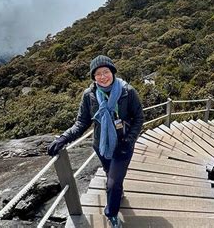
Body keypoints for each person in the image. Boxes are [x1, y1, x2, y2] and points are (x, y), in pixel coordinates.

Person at [47, 55, 143, 228]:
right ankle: (117, 192)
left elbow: (138, 117)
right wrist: (64, 137)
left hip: (123, 145)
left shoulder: (127, 91)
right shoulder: (89, 95)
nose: (103, 76)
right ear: (93, 77)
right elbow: (82, 122)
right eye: (98, 74)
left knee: (113, 183)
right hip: (101, 145)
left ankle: (111, 213)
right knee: (109, 173)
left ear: (113, 72)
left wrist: (129, 140)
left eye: (106, 72)